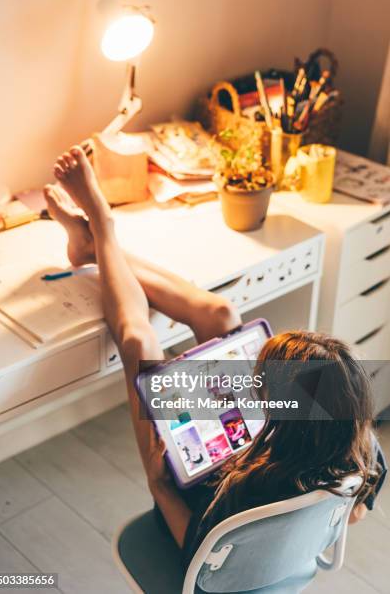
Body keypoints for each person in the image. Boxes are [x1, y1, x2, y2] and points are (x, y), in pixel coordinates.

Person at [46, 145, 387, 570]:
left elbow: (198, 553)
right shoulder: (359, 445)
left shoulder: (245, 492)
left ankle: (100, 225)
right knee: (222, 315)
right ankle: (96, 243)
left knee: (139, 342)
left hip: (195, 512)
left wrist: (159, 484)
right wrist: (315, 517)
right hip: (270, 462)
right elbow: (355, 511)